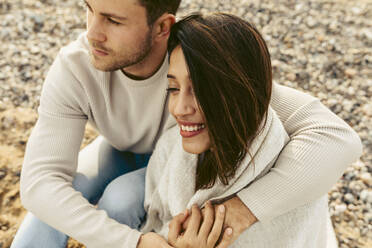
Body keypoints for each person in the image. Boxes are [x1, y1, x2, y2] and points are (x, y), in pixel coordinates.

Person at [10, 0, 362, 247]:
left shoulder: (196, 60)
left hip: (185, 158)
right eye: (88, 10)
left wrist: (241, 211)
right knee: (43, 217)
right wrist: (133, 243)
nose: (92, 33)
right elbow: (40, 183)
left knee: (119, 201)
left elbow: (336, 137)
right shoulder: (76, 66)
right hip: (119, 150)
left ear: (163, 26)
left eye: (113, 21)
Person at [138, 13, 344, 248]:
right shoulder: (170, 148)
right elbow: (154, 222)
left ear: (237, 92)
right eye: (173, 88)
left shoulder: (298, 178)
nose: (179, 108)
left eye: (200, 90)